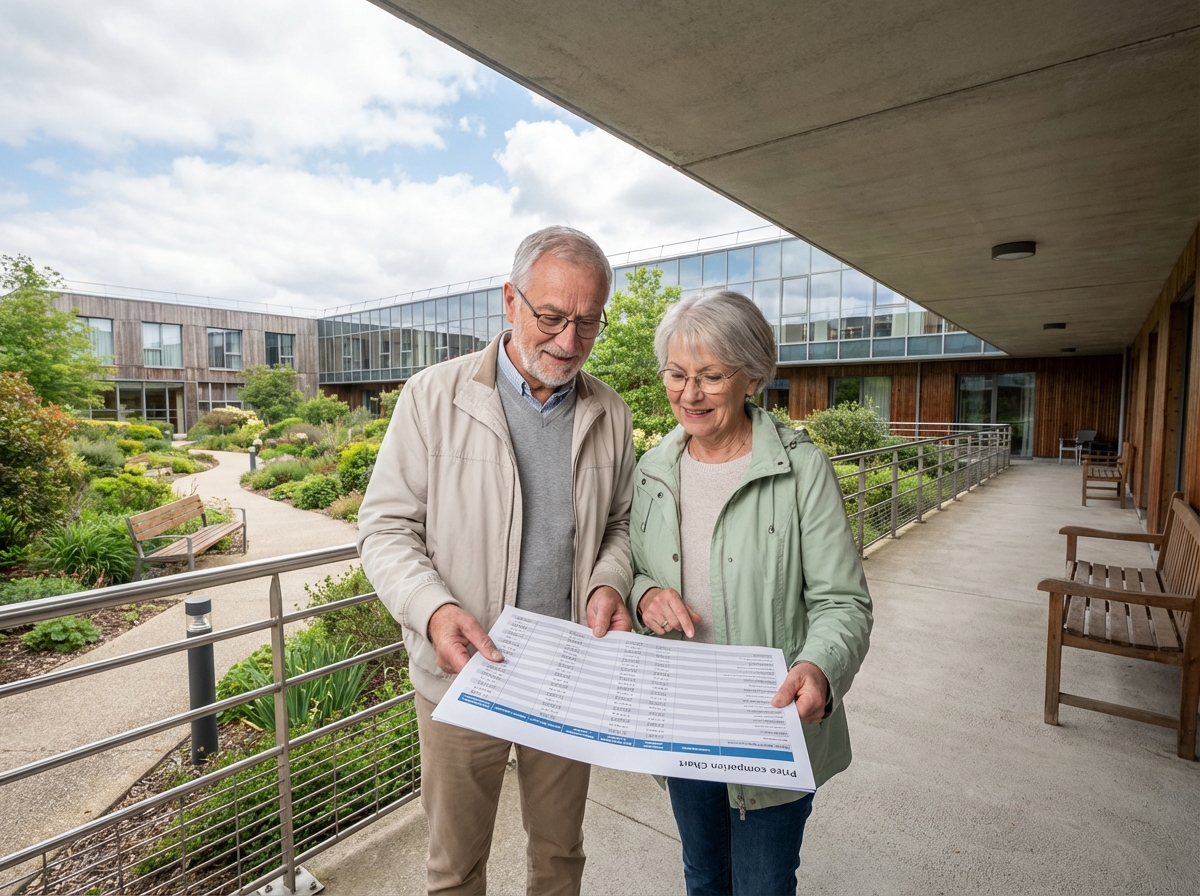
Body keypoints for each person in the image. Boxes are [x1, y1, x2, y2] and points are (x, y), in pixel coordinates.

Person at [357, 226, 635, 896]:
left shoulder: (612, 412)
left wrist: (609, 580)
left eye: (588, 323)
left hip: (567, 676)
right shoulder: (432, 395)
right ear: (509, 300)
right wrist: (434, 610)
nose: (568, 342)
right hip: (460, 680)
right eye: (550, 317)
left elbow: (622, 526)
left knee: (560, 861)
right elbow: (385, 527)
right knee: (454, 870)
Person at [628, 290, 873, 896]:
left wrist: (820, 668)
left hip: (769, 725)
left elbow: (842, 600)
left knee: (763, 883)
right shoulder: (652, 471)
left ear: (751, 376)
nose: (690, 394)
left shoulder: (800, 469)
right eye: (677, 375)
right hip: (683, 719)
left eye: (711, 376)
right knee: (703, 876)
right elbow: (633, 566)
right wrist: (641, 597)